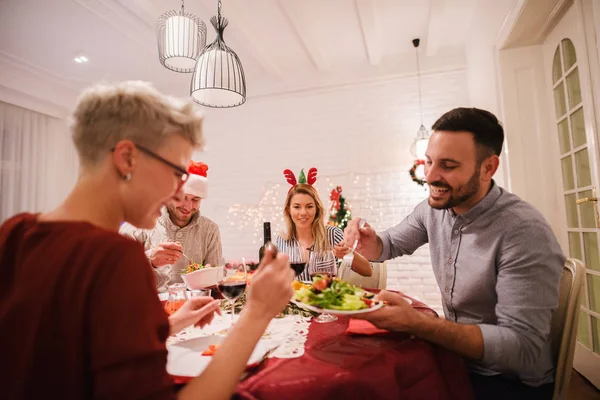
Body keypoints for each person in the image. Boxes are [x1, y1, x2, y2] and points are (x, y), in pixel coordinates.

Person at [0, 81, 294, 400]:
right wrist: (257, 314)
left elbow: (67, 353)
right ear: (127, 159)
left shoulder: (14, 232)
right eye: (175, 172)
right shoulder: (115, 257)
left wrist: (172, 324)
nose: (177, 193)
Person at [344, 107, 563, 400]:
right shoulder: (432, 211)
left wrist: (420, 323)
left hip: (509, 384)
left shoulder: (523, 231)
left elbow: (523, 349)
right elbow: (388, 245)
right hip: (459, 362)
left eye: (447, 165)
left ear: (488, 168)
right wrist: (367, 239)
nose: (430, 176)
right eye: (428, 161)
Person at [120, 160, 223, 292]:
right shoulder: (138, 223)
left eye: (195, 199)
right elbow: (113, 271)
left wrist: (211, 277)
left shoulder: (210, 230)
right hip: (146, 307)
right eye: (182, 198)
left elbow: (218, 281)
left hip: (192, 308)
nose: (188, 206)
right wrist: (150, 260)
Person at [276, 168, 372, 280]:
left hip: (325, 296)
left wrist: (348, 253)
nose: (303, 213)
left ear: (317, 209)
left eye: (309, 206)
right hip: (294, 297)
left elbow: (367, 271)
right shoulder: (282, 241)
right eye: (297, 207)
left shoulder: (332, 234)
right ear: (289, 210)